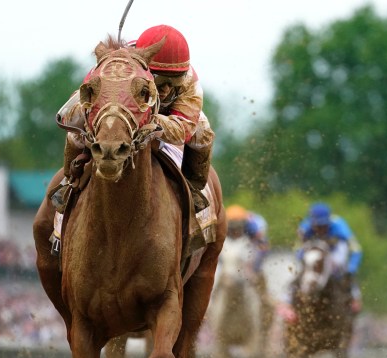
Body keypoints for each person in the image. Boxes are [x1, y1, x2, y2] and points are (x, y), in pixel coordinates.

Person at [56, 24, 215, 212]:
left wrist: (149, 120)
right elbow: (86, 106)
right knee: (73, 122)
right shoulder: (114, 66)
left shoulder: (191, 83)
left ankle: (193, 187)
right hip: (124, 107)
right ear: (146, 71)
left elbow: (182, 131)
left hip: (167, 114)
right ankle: (70, 181)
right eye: (158, 79)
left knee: (203, 131)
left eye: (174, 82)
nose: (165, 89)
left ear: (184, 75)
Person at [278, 203, 363, 322]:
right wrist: (303, 261)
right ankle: (286, 302)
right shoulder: (305, 227)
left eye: (323, 226)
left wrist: (351, 268)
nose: (320, 229)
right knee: (300, 272)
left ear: (329, 221)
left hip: (335, 251)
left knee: (342, 268)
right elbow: (297, 249)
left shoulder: (340, 226)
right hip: (314, 252)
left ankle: (354, 298)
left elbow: (356, 250)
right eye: (317, 226)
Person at [224, 204, 274, 329]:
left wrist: (253, 269)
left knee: (265, 300)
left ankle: (265, 323)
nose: (235, 231)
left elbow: (264, 249)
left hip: (252, 270)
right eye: (232, 227)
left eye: (238, 227)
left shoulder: (253, 230)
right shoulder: (222, 230)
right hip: (227, 271)